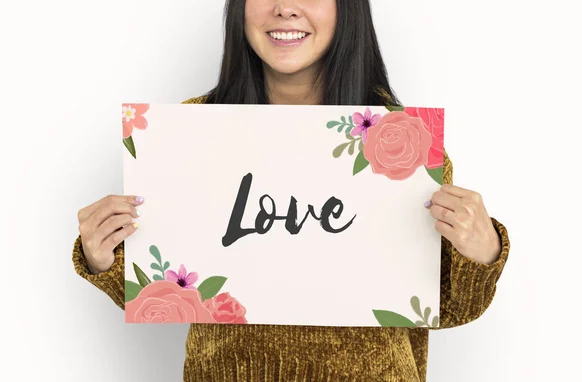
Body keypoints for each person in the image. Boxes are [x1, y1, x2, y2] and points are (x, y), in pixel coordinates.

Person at [73, 0, 511, 380]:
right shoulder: (186, 131)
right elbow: (166, 291)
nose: (284, 8)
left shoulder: (403, 141)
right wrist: (103, 256)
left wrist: (482, 250)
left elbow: (450, 308)